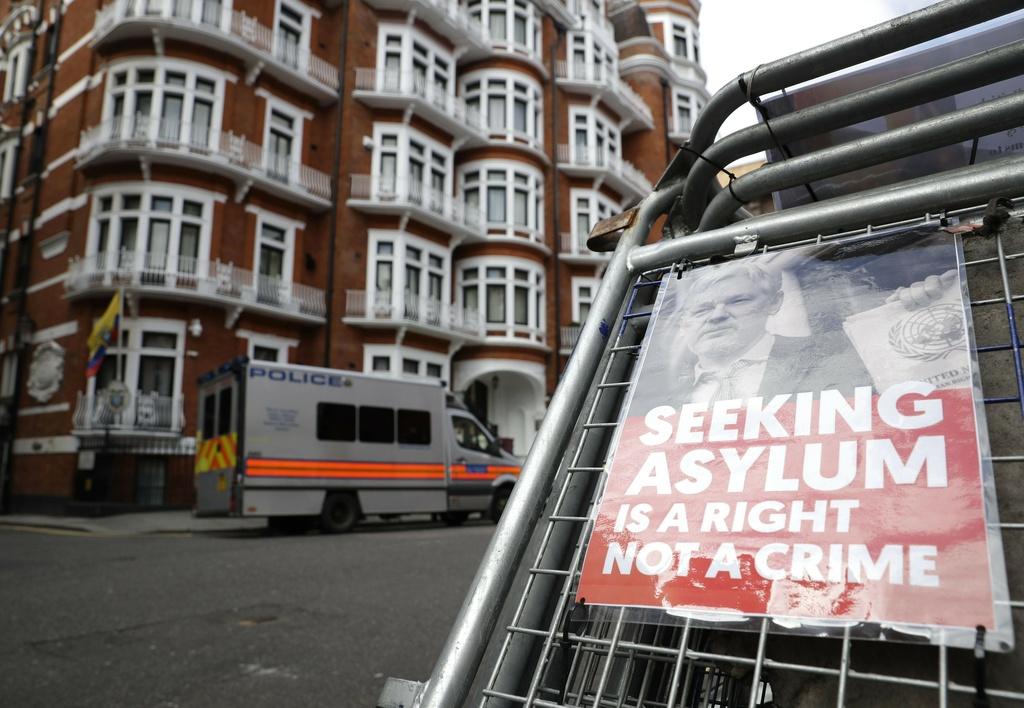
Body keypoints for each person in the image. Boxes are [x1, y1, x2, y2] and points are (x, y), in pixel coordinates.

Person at [663, 260, 873, 404]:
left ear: (774, 302)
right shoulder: (658, 392)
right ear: (684, 322)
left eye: (738, 301)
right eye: (703, 309)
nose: (717, 315)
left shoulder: (827, 356)